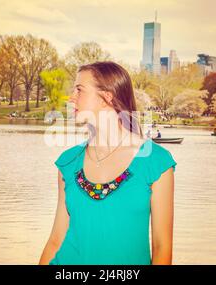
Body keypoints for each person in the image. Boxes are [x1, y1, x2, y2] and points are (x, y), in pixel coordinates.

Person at [39, 61, 177, 265]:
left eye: (79, 90)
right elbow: (55, 240)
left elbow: (162, 247)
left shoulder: (156, 163)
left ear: (107, 96)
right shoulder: (68, 163)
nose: (71, 97)